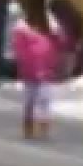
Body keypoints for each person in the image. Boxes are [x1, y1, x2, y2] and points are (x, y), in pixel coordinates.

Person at [11, 10, 72, 140]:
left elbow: (63, 44)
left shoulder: (53, 29)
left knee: (45, 99)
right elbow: (19, 51)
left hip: (47, 71)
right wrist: (24, 64)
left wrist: (62, 35)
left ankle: (43, 127)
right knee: (29, 100)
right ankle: (28, 125)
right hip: (29, 72)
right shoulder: (22, 30)